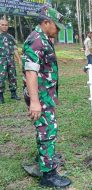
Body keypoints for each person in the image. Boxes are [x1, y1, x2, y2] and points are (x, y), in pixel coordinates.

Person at [22, 5, 71, 188]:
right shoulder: (36, 41)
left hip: (45, 94)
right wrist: (35, 101)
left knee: (45, 128)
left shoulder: (44, 38)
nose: (58, 29)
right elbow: (31, 72)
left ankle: (43, 157)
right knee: (48, 129)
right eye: (56, 26)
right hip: (40, 96)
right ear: (45, 22)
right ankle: (48, 175)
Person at [0, 19, 22, 104]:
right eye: (2, 25)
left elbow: (14, 49)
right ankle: (1, 96)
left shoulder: (10, 36)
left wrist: (19, 60)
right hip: (1, 60)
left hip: (10, 60)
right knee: (1, 78)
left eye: (6, 25)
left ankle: (14, 94)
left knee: (12, 76)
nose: (5, 26)